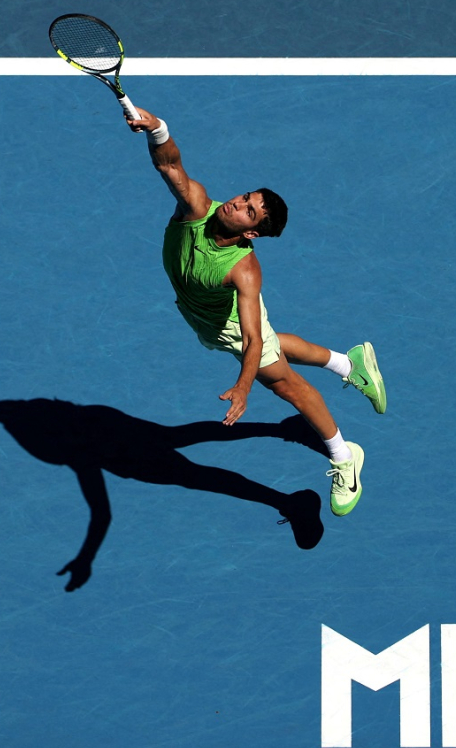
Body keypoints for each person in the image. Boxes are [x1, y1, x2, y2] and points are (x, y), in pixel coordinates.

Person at [123, 105, 385, 517]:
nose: (237, 203)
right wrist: (158, 128)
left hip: (230, 324)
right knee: (275, 347)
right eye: (245, 197)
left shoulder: (244, 271)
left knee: (284, 383)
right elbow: (169, 164)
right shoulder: (196, 208)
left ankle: (344, 456)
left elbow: (252, 339)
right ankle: (348, 364)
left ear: (251, 232)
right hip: (204, 316)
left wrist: (244, 387)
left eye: (249, 210)